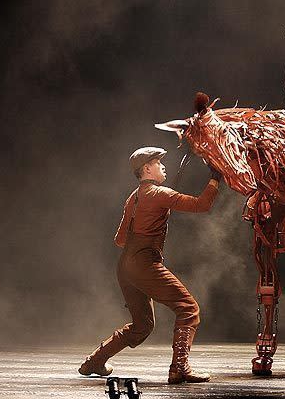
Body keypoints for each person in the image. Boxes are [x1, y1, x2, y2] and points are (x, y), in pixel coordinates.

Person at [78, 146, 221, 384]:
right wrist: (215, 178)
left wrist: (151, 219)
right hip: (144, 264)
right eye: (158, 162)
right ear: (146, 169)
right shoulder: (159, 193)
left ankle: (94, 362)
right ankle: (179, 368)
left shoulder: (133, 197)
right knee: (188, 309)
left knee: (142, 325)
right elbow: (201, 205)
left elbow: (120, 240)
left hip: (125, 266)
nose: (163, 166)